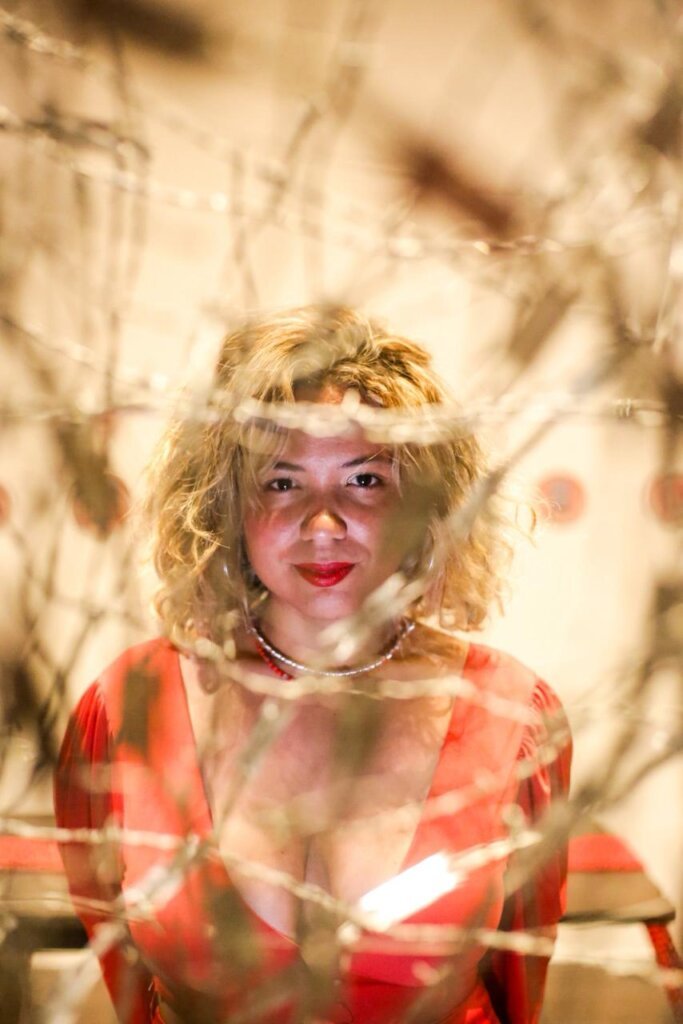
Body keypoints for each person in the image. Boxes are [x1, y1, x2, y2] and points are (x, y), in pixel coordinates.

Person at [55, 305, 572, 1024]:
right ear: (224, 504)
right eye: (281, 482)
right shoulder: (128, 706)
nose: (322, 524)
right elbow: (119, 969)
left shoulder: (510, 713)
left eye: (364, 481)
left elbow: (521, 982)